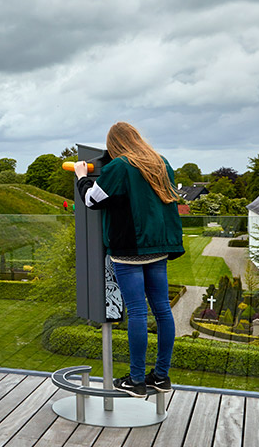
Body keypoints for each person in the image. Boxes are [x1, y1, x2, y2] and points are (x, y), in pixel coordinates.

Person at [74, 122, 184, 398]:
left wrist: (81, 176)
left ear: (115, 145)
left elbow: (92, 200)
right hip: (158, 246)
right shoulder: (160, 163)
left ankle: (136, 381)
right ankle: (161, 377)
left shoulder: (120, 167)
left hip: (129, 249)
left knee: (136, 311)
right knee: (162, 310)